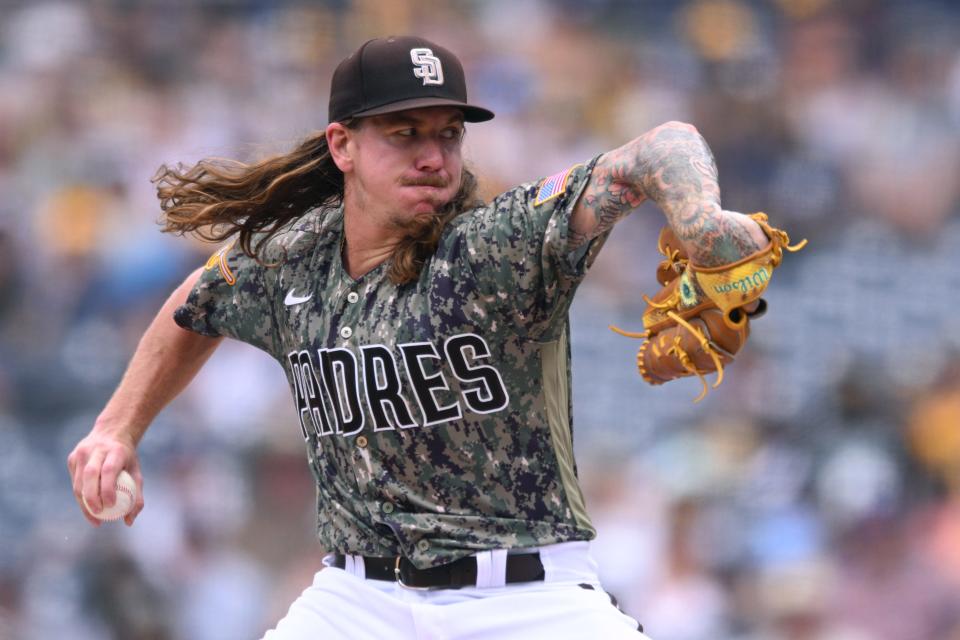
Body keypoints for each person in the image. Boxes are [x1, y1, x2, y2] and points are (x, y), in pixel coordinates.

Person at [67, 35, 771, 638]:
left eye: (448, 133)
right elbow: (196, 303)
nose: (433, 155)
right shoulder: (286, 264)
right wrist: (116, 428)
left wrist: (698, 210)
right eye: (405, 133)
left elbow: (657, 148)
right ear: (342, 144)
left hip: (525, 598)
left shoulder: (498, 247)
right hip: (359, 601)